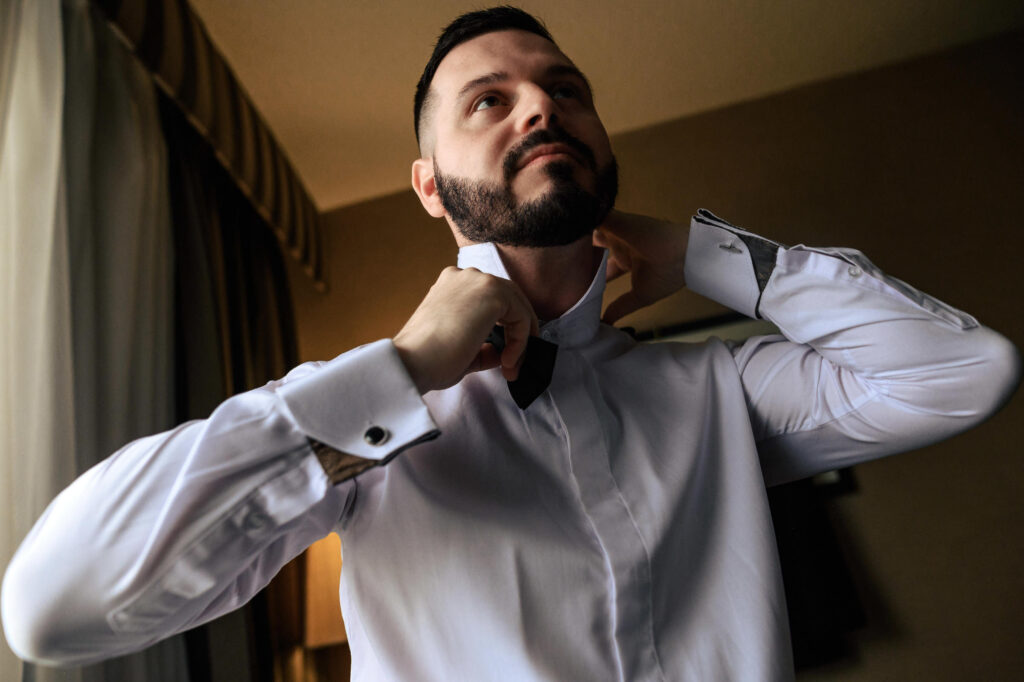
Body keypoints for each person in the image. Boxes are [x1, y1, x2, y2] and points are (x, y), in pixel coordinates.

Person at [2, 6, 1020, 681]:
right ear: (429, 186)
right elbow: (51, 609)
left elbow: (967, 371)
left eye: (566, 91)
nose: (541, 105)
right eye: (490, 100)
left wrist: (705, 254)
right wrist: (403, 372)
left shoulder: (722, 389)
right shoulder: (361, 428)